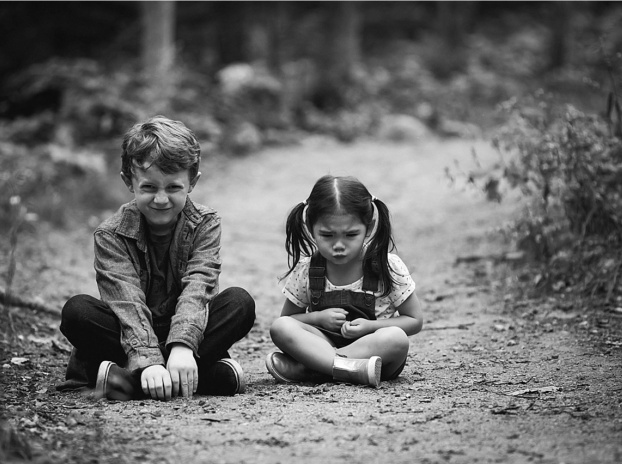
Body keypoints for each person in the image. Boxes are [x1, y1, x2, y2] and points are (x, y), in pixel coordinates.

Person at [58, 116, 256, 401]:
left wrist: (183, 346)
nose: (161, 199)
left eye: (173, 187)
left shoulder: (205, 223)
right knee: (78, 312)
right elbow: (126, 301)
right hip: (129, 333)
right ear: (129, 181)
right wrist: (148, 358)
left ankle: (126, 380)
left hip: (187, 330)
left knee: (240, 303)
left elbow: (198, 287)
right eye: (149, 187)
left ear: (192, 182)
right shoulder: (110, 234)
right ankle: (200, 377)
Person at [265, 175, 423, 387]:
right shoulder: (308, 269)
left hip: (375, 355)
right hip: (323, 343)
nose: (339, 245)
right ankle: (345, 370)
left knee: (396, 338)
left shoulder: (386, 266)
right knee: (280, 327)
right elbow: (290, 318)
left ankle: (315, 368)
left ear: (370, 226)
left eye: (350, 235)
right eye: (327, 235)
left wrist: (370, 326)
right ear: (310, 227)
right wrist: (318, 318)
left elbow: (414, 320)